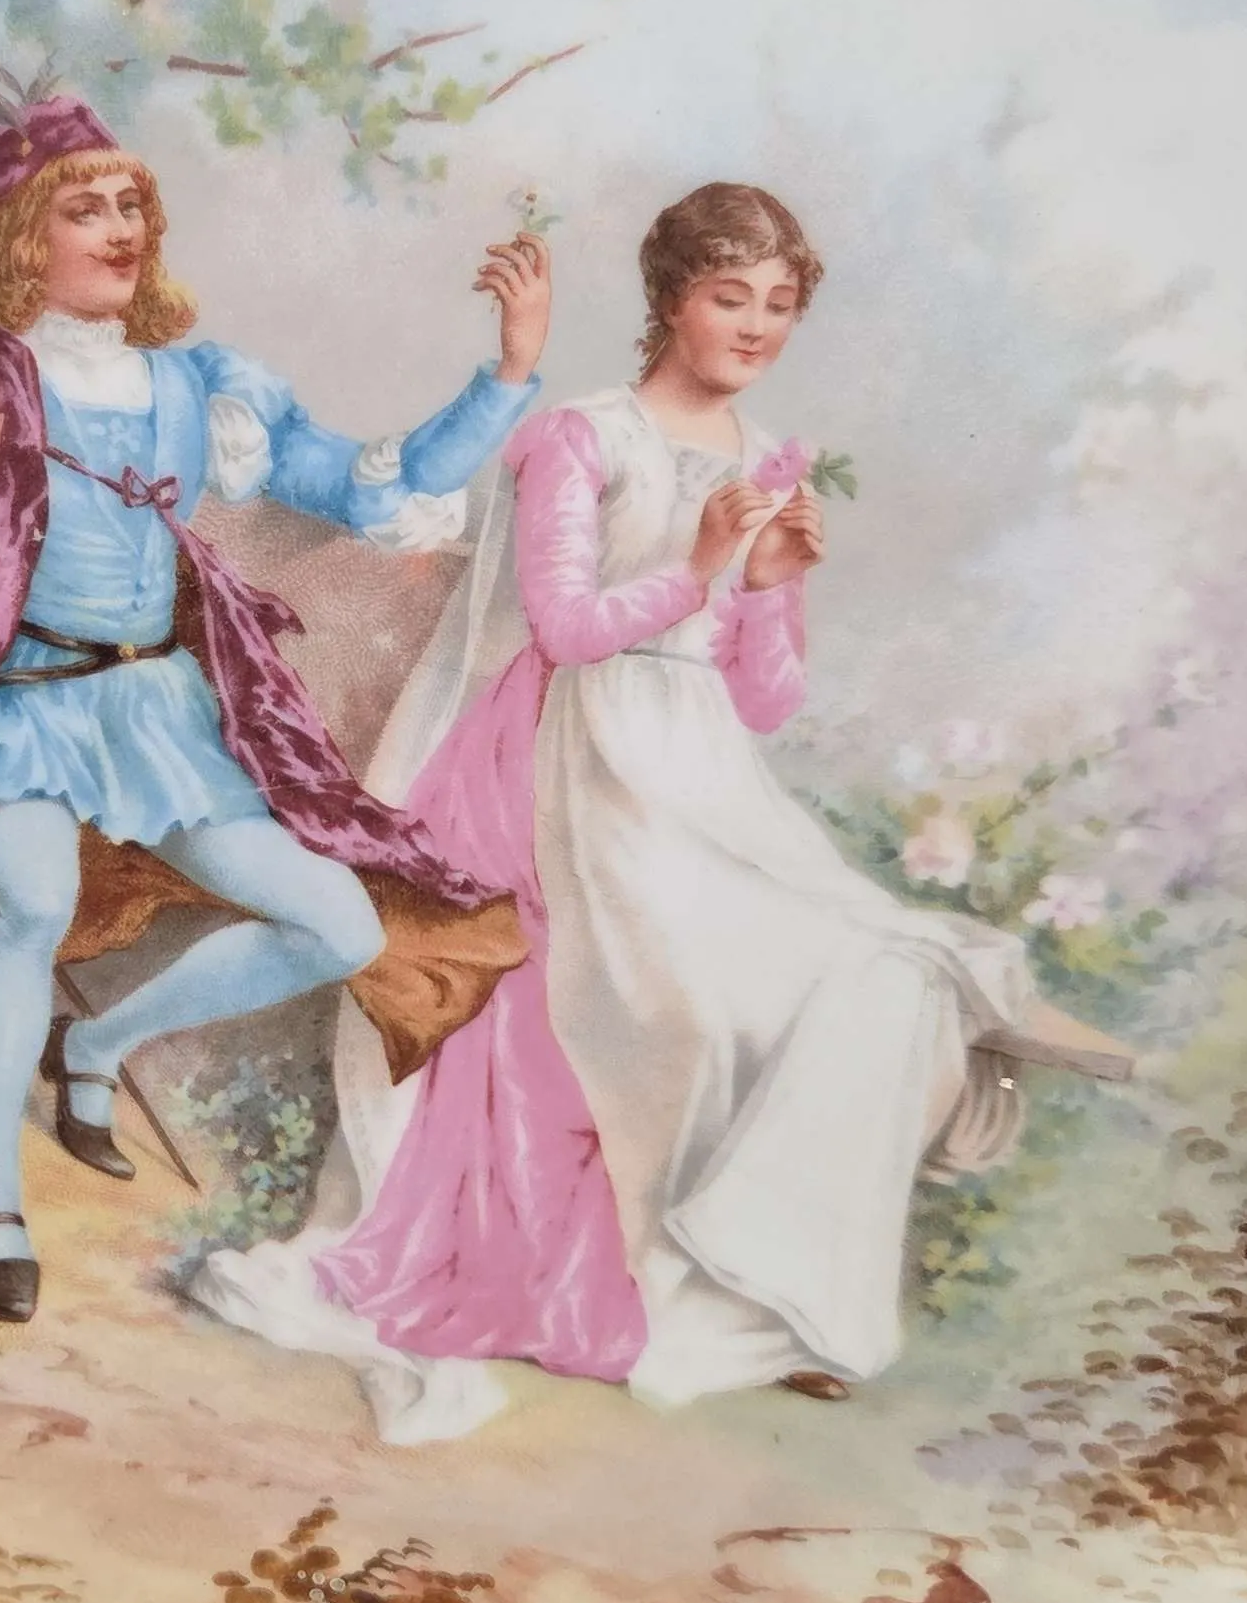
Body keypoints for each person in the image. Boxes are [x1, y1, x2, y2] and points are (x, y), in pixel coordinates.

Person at [192, 181, 1042, 1441]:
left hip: (700, 773)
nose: (755, 326)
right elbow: (566, 629)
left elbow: (763, 701)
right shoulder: (583, 438)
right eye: (729, 296)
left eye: (779, 305)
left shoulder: (768, 460)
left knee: (881, 973)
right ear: (670, 299)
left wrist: (773, 585)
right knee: (677, 1009)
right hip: (569, 762)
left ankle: (771, 1288)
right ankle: (653, 1277)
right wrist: (697, 567)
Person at [0, 80, 548, 1322]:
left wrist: (506, 376)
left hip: (158, 714)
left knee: (339, 929)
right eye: (86, 208)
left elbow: (367, 488)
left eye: (132, 204)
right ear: (23, 239)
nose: (122, 228)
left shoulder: (198, 387)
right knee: (33, 902)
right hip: (20, 707)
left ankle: (96, 1045)